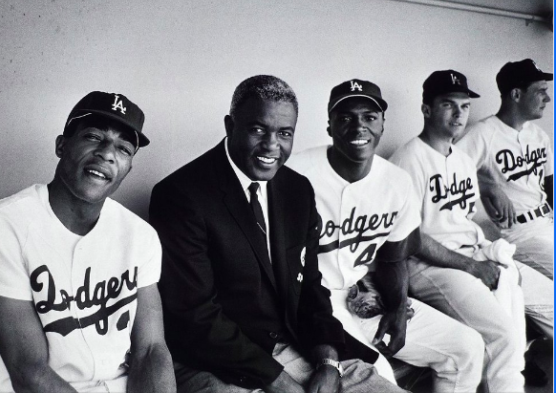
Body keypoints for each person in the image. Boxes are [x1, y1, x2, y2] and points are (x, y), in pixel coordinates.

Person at [150, 75, 406, 393]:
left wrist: (328, 362)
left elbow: (310, 288)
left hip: (292, 345)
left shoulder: (296, 188)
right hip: (213, 361)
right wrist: (279, 382)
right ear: (231, 126)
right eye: (258, 129)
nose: (272, 146)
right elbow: (195, 316)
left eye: (284, 133)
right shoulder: (181, 195)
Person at [0, 92, 175, 393]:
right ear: (61, 145)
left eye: (123, 148)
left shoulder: (139, 234)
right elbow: (29, 372)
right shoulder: (1, 229)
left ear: (128, 168)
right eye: (94, 136)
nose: (107, 153)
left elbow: (150, 349)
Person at [287, 78, 484, 393]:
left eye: (369, 116)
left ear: (382, 125)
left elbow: (394, 258)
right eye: (346, 117)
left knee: (467, 346)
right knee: (383, 379)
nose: (359, 126)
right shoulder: (295, 174)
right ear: (329, 126)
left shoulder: (396, 181)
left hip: (364, 292)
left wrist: (398, 308)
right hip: (313, 304)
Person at [390, 70, 552, 391]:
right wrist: (472, 267)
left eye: (464, 106)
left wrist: (490, 257)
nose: (459, 114)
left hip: (474, 254)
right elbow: (410, 237)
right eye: (448, 105)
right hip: (430, 265)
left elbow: (462, 211)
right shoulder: (407, 160)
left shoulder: (462, 159)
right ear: (426, 109)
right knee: (502, 334)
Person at [457, 59, 553, 280]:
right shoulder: (483, 133)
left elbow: (551, 183)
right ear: (516, 95)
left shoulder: (538, 135)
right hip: (521, 235)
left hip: (547, 221)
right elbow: (445, 171)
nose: (547, 98)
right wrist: (485, 186)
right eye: (540, 92)